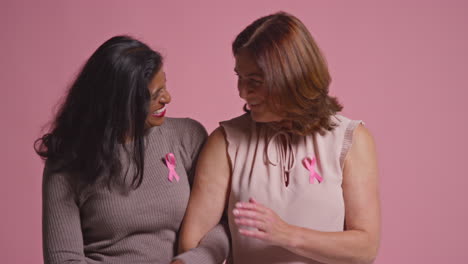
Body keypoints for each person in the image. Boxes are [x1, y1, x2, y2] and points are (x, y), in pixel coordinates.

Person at [178, 12, 380, 264]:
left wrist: (287, 235)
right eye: (239, 77)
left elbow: (366, 248)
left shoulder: (352, 140)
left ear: (291, 79)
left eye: (255, 81)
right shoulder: (224, 143)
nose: (242, 92)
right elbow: (193, 244)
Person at [35, 35, 229, 264]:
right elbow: (63, 259)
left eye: (164, 87)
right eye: (153, 96)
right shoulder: (68, 161)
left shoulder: (187, 137)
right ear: (118, 102)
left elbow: (222, 224)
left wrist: (195, 260)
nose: (167, 98)